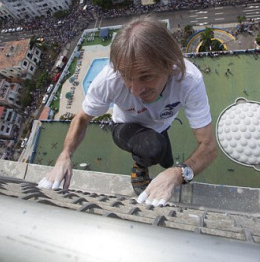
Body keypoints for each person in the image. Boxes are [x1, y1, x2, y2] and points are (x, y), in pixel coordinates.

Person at [38, 16, 218, 206]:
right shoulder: (109, 80)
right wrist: (64, 155)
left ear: (168, 64)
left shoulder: (188, 80)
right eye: (126, 77)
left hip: (160, 125)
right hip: (125, 125)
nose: (134, 90)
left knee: (167, 162)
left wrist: (177, 173)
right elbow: (82, 118)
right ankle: (139, 166)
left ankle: (156, 160)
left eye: (146, 76)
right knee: (152, 148)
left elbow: (209, 146)